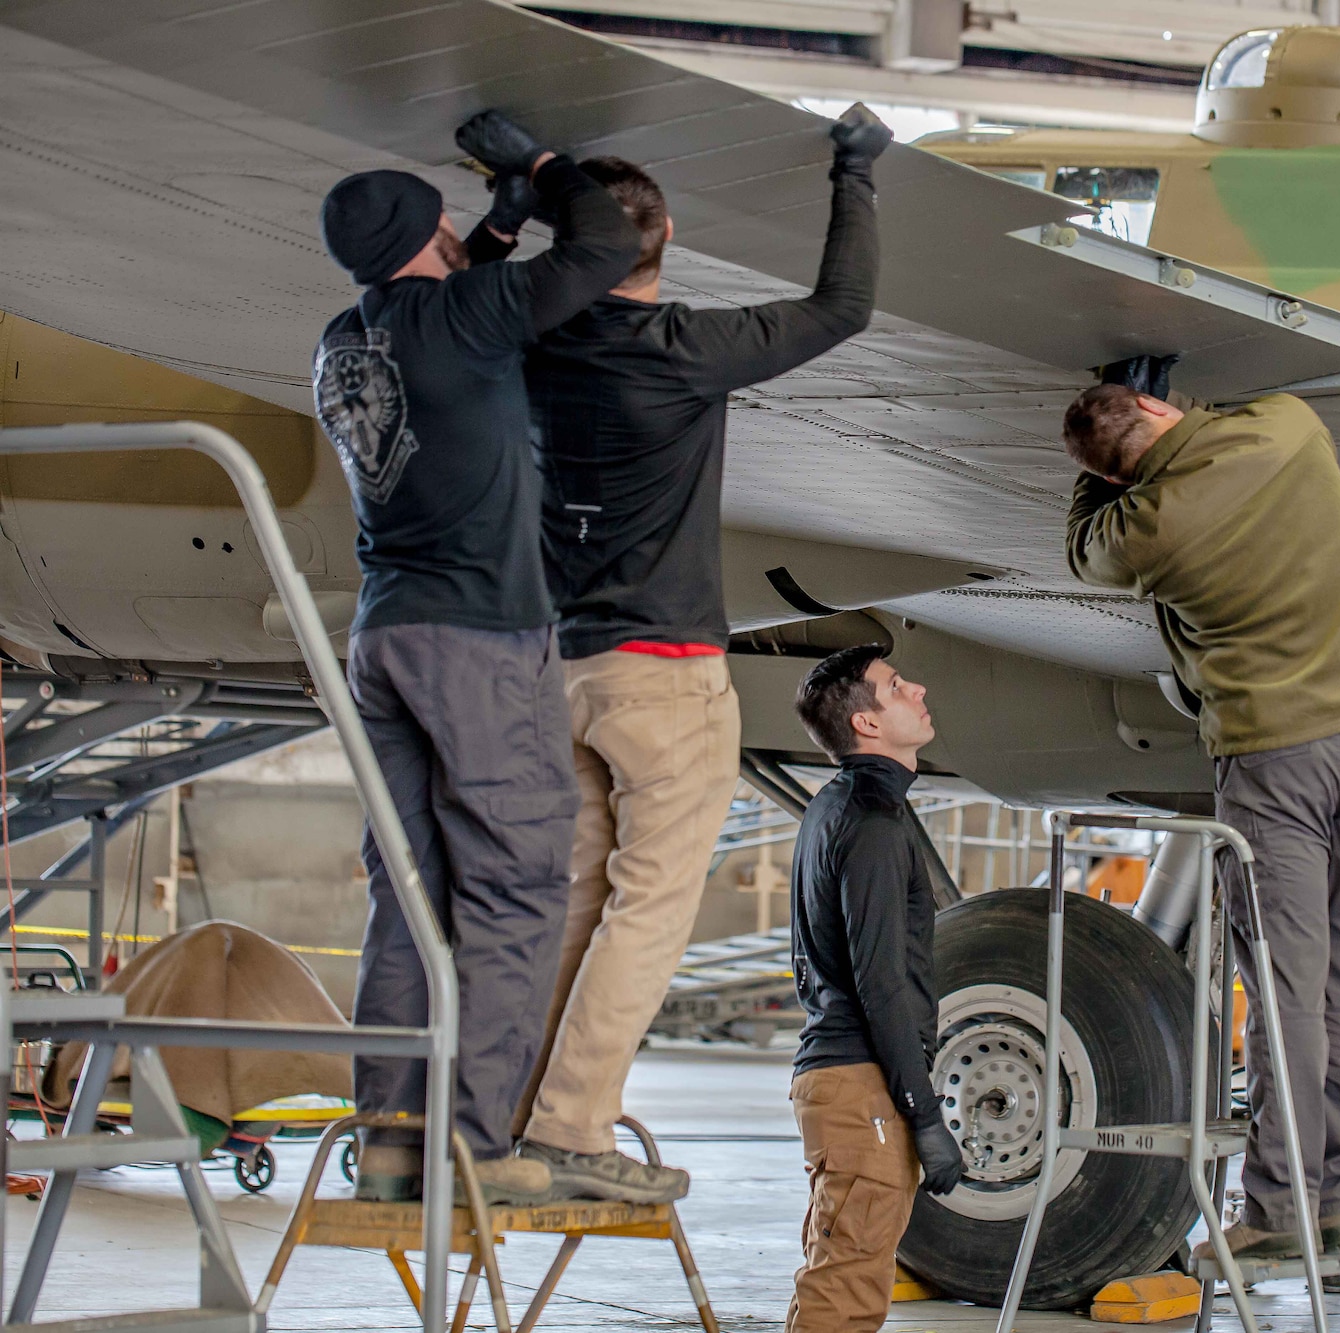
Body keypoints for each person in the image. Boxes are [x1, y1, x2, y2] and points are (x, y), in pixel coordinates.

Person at [481, 104, 892, 1203]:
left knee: (577, 900)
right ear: (659, 245)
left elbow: (474, 287)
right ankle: (570, 1134)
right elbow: (840, 308)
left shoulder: (525, 338)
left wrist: (509, 205)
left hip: (551, 666)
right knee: (649, 907)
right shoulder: (685, 352)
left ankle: (524, 1125)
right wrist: (851, 172)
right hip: (659, 674)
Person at [312, 111, 639, 1206]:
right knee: (512, 884)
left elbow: (441, 318)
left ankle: (395, 1143)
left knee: (408, 892)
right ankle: (477, 1145)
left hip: (384, 637)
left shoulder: (341, 341)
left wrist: (492, 234)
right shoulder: (466, 314)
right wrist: (547, 168)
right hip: (478, 640)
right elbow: (602, 250)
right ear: (427, 232)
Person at [1063, 384, 1340, 1260]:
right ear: (1155, 404)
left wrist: (1097, 481)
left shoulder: (1145, 531)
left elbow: (1083, 551)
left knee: (1286, 986)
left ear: (1116, 476)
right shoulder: (1289, 428)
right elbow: (1220, 413)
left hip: (1277, 756)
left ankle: (1277, 1206)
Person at [785, 645, 965, 1333]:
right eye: (894, 686)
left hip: (842, 1079)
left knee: (836, 1273)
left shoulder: (834, 807)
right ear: (866, 724)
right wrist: (922, 1112)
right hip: (863, 1087)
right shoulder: (873, 823)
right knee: (848, 1290)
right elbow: (881, 981)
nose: (916, 687)